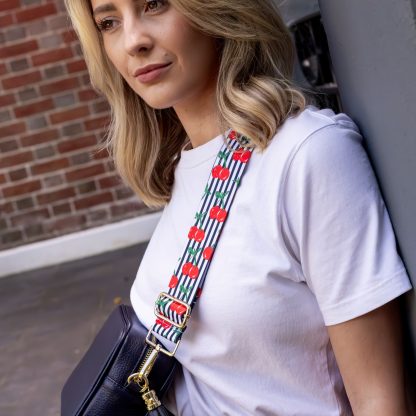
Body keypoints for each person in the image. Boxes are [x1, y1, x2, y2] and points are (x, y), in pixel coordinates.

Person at [65, 0, 412, 414]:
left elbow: (382, 402)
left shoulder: (306, 156)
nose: (133, 41)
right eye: (108, 22)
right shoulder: (188, 167)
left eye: (154, 4)